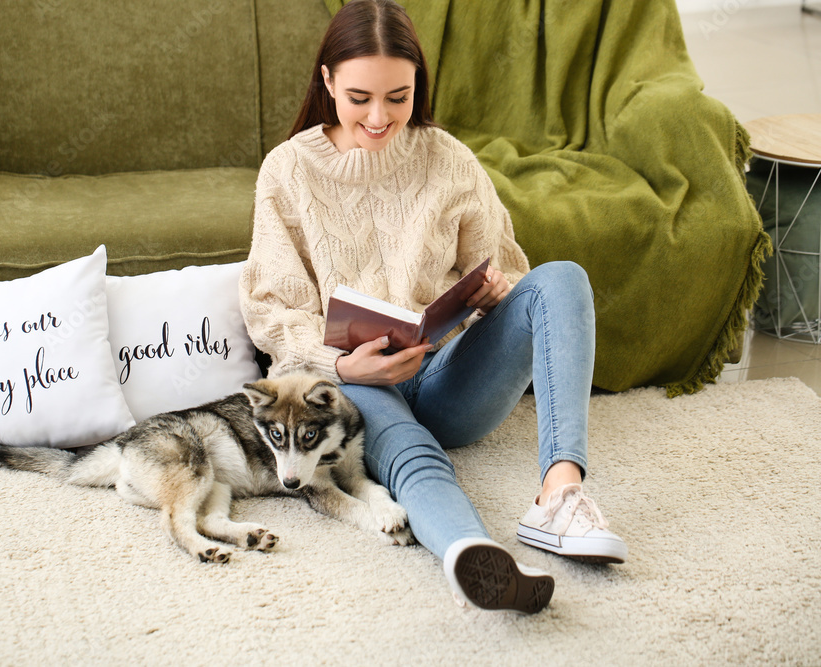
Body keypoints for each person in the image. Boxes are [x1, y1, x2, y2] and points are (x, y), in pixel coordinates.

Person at [239, 0, 626, 614]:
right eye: (360, 97)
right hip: (350, 386)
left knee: (562, 280)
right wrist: (342, 368)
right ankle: (471, 553)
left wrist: (492, 293)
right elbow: (271, 312)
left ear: (418, 84)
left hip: (447, 380)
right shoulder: (287, 170)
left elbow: (507, 268)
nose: (380, 116)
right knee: (408, 451)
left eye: (399, 96)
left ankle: (559, 496)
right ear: (328, 81)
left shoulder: (447, 158)